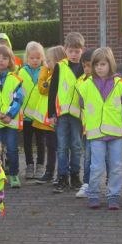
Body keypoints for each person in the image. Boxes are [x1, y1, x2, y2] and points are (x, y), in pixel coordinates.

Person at [77, 47, 122, 210]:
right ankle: (93, 194)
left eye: (102, 64)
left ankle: (113, 195)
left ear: (111, 64)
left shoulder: (120, 85)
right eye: (96, 65)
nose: (99, 68)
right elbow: (82, 104)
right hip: (96, 135)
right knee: (96, 167)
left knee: (116, 166)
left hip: (115, 135)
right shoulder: (86, 85)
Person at [48, 32, 86, 193]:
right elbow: (53, 90)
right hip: (62, 114)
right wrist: (51, 114)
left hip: (78, 115)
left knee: (76, 145)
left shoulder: (85, 67)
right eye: (71, 51)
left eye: (77, 51)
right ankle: (62, 176)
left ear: (82, 50)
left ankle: (75, 175)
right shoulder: (60, 66)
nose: (74, 54)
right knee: (62, 146)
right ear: (65, 50)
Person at [0, 44, 24, 188]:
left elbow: (18, 99)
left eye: (4, 58)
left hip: (10, 121)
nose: (1, 60)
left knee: (12, 149)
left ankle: (13, 174)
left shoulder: (15, 79)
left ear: (10, 61)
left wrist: (9, 115)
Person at [31, 46, 64, 184]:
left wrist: (44, 71)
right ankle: (50, 172)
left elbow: (42, 88)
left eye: (48, 61)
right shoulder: (52, 74)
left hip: (55, 118)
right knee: (51, 146)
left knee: (55, 146)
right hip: (50, 118)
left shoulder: (53, 76)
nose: (46, 63)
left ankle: (54, 173)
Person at [19, 41, 46, 180]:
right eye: (32, 58)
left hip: (39, 115)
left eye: (38, 58)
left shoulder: (45, 71)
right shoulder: (21, 72)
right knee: (27, 142)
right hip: (26, 116)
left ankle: (41, 165)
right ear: (27, 58)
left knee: (41, 142)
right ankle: (29, 165)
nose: (35, 60)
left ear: (42, 58)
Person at [75, 48, 95, 198]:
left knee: (107, 159)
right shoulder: (81, 82)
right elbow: (81, 103)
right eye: (84, 66)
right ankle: (87, 183)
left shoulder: (105, 81)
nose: (87, 69)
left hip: (105, 128)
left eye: (90, 66)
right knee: (87, 157)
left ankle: (109, 183)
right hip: (87, 128)